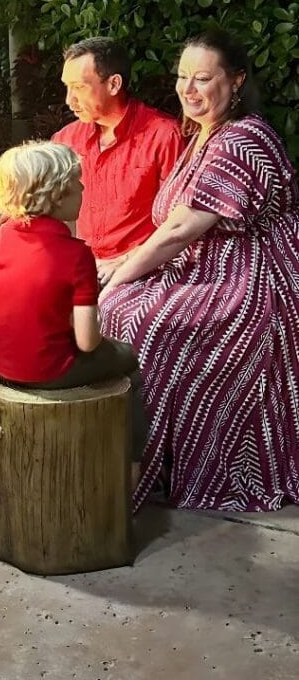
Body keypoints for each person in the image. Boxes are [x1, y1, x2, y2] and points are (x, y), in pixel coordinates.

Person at [99, 30, 299, 512]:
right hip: (201, 272)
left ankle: (171, 462)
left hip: (252, 285)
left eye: (203, 78)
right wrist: (122, 262)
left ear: (236, 81)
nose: (188, 89)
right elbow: (170, 223)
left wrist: (119, 277)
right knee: (118, 308)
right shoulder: (202, 135)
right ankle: (143, 456)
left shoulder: (244, 139)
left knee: (143, 319)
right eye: (182, 77)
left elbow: (184, 228)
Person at [0, 38, 183, 281]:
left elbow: (179, 225)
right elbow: (19, 198)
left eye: (79, 87)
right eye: (66, 87)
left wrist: (126, 261)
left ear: (114, 83)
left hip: (145, 270)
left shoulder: (163, 135)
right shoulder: (68, 139)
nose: (69, 99)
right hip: (85, 268)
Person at [0, 142, 146, 486]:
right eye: (76, 182)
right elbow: (87, 342)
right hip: (51, 368)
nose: (83, 188)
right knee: (128, 360)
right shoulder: (76, 254)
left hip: (1, 361)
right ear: (56, 195)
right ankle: (135, 464)